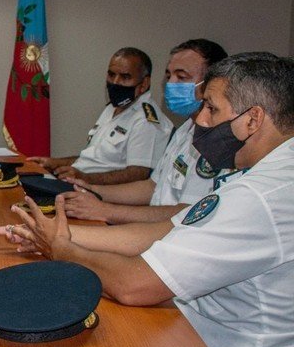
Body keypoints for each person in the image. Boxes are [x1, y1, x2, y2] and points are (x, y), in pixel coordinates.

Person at [0, 52, 294, 347]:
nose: (199, 119)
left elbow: (136, 286)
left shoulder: (261, 195)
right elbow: (169, 229)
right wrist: (61, 235)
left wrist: (65, 250)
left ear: (253, 118)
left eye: (212, 110)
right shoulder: (266, 176)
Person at [61, 39, 228, 223]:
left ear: (212, 84)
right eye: (169, 76)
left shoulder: (215, 142)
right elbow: (151, 187)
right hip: (151, 230)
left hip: (172, 240)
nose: (170, 84)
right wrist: (92, 189)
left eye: (181, 77)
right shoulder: (186, 129)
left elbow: (187, 213)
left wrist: (106, 211)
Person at [29, 47, 172, 184]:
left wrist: (85, 178)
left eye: (125, 77)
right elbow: (96, 160)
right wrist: (55, 163)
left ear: (144, 83)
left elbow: (139, 174)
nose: (115, 82)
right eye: (111, 74)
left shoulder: (146, 121)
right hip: (79, 183)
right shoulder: (113, 108)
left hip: (102, 195)